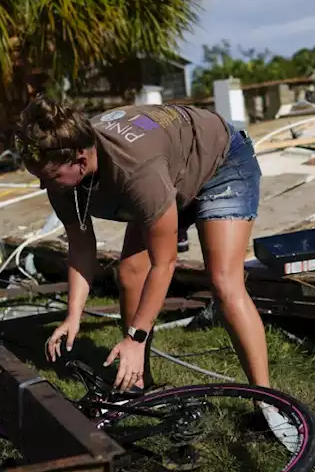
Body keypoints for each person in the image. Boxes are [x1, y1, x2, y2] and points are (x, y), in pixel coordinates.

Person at [15, 97, 270, 393]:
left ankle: (267, 399)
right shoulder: (63, 171)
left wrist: (136, 338)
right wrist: (74, 315)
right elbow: (81, 247)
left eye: (52, 178)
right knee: (130, 273)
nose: (45, 187)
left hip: (219, 162)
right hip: (169, 171)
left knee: (224, 282)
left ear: (81, 160)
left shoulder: (134, 171)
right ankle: (136, 379)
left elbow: (165, 262)